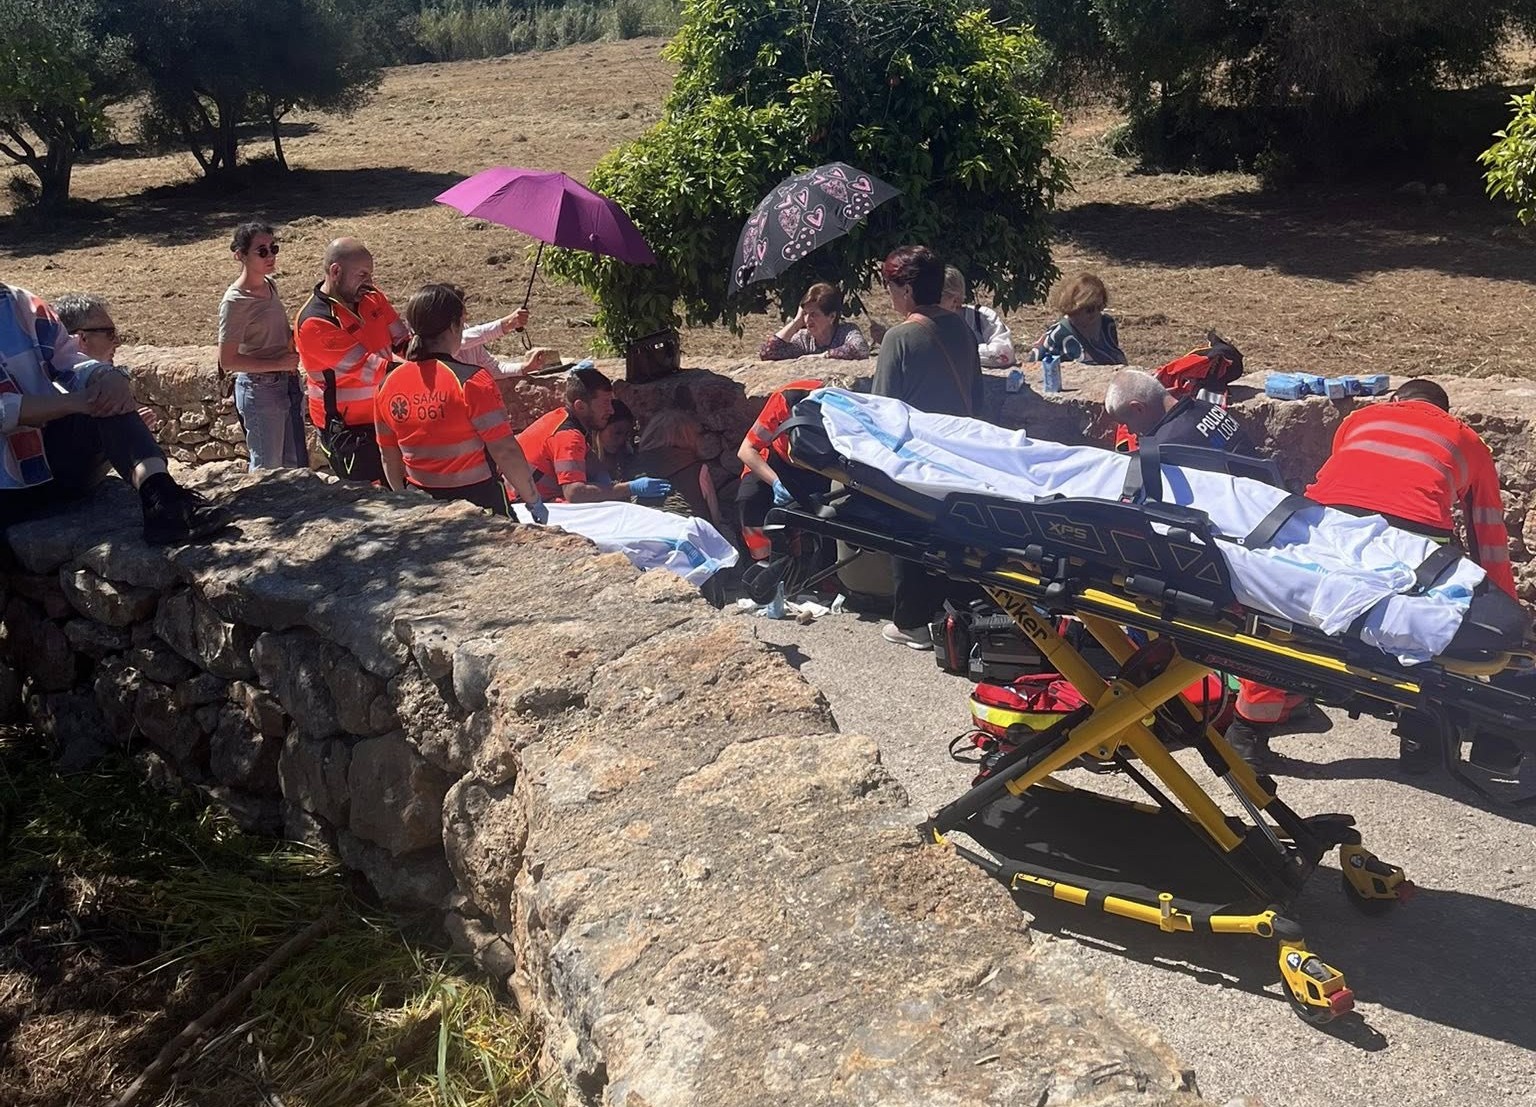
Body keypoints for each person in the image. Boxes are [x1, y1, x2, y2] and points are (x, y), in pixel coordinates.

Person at [1226, 377, 1519, 769]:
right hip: (1412, 540)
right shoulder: (1467, 440)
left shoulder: (1361, 418)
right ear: (1445, 412)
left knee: (1284, 619)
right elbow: (1487, 534)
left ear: (1396, 399)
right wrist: (1504, 615)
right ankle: (1421, 740)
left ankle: (1247, 733)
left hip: (1327, 524)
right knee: (1422, 624)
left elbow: (1349, 481)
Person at [0, 283, 230, 544]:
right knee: (94, 399)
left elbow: (69, 360)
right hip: (6, 488)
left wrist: (103, 375)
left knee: (106, 395)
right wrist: (74, 402)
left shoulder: (23, 304)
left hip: (55, 465)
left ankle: (163, 499)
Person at [295, 236, 534, 483]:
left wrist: (438, 357)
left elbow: (404, 341)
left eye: (370, 275)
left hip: (387, 414)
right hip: (351, 432)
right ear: (336, 272)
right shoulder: (315, 322)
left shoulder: (372, 297)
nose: (370, 282)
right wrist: (441, 372)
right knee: (375, 497)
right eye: (363, 275)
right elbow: (372, 369)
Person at [873, 246, 983, 648]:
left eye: (890, 286)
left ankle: (912, 622)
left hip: (918, 459)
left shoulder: (899, 338)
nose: (889, 294)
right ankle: (954, 615)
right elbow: (978, 397)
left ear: (906, 289)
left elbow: (882, 408)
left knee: (906, 531)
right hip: (961, 454)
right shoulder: (963, 331)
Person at [373, 284, 546, 522]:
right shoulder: (472, 381)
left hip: (421, 503)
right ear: (455, 326)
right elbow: (505, 450)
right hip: (479, 503)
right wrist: (533, 500)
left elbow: (389, 455)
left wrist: (405, 500)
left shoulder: (387, 384)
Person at [218, 221, 306, 471]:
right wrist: (277, 363)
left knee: (294, 468)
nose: (270, 256)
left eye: (273, 248)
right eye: (262, 251)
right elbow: (228, 361)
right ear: (240, 255)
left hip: (287, 383)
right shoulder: (235, 301)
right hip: (260, 391)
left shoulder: (269, 285)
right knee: (267, 469)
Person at [515, 365, 669, 504]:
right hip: (525, 504)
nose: (611, 410)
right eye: (605, 403)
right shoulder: (568, 436)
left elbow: (591, 461)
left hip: (529, 496)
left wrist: (607, 481)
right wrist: (629, 488)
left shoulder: (563, 418)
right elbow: (574, 493)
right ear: (580, 406)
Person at [736, 378, 830, 561]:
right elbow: (747, 450)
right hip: (778, 461)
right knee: (750, 499)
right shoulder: (787, 398)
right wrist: (776, 482)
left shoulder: (850, 409)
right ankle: (763, 561)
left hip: (821, 468)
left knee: (833, 511)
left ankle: (826, 565)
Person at [52, 293, 158, 432]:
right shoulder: (58, 392)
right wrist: (126, 430)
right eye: (110, 334)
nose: (117, 342)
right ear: (82, 338)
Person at [1105, 368, 1257, 456]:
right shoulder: (1207, 407)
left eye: (1126, 423)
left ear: (1138, 408)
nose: (1130, 431)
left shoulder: (1164, 446)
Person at [632, 408, 721, 524]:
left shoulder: (635, 465)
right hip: (686, 530)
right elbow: (714, 515)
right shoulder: (697, 469)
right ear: (689, 436)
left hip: (644, 528)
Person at [1030, 272, 1126, 366]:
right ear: (1073, 308)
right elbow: (1034, 369)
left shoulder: (1107, 324)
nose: (1096, 313)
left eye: (1100, 307)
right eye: (1090, 309)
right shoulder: (1056, 336)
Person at [759, 283, 869, 361]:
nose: (807, 319)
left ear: (831, 316)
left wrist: (822, 356)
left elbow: (860, 349)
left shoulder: (846, 332)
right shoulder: (804, 339)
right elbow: (768, 352)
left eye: (813, 314)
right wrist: (796, 323)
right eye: (805, 314)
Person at [939, 266, 1015, 368]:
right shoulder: (924, 322)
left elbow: (1004, 353)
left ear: (955, 299)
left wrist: (961, 353)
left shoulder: (981, 316)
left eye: (938, 296)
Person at [590, 399, 637, 486]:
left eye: (626, 434)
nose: (621, 440)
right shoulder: (583, 461)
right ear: (599, 429)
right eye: (617, 433)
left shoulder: (629, 460)